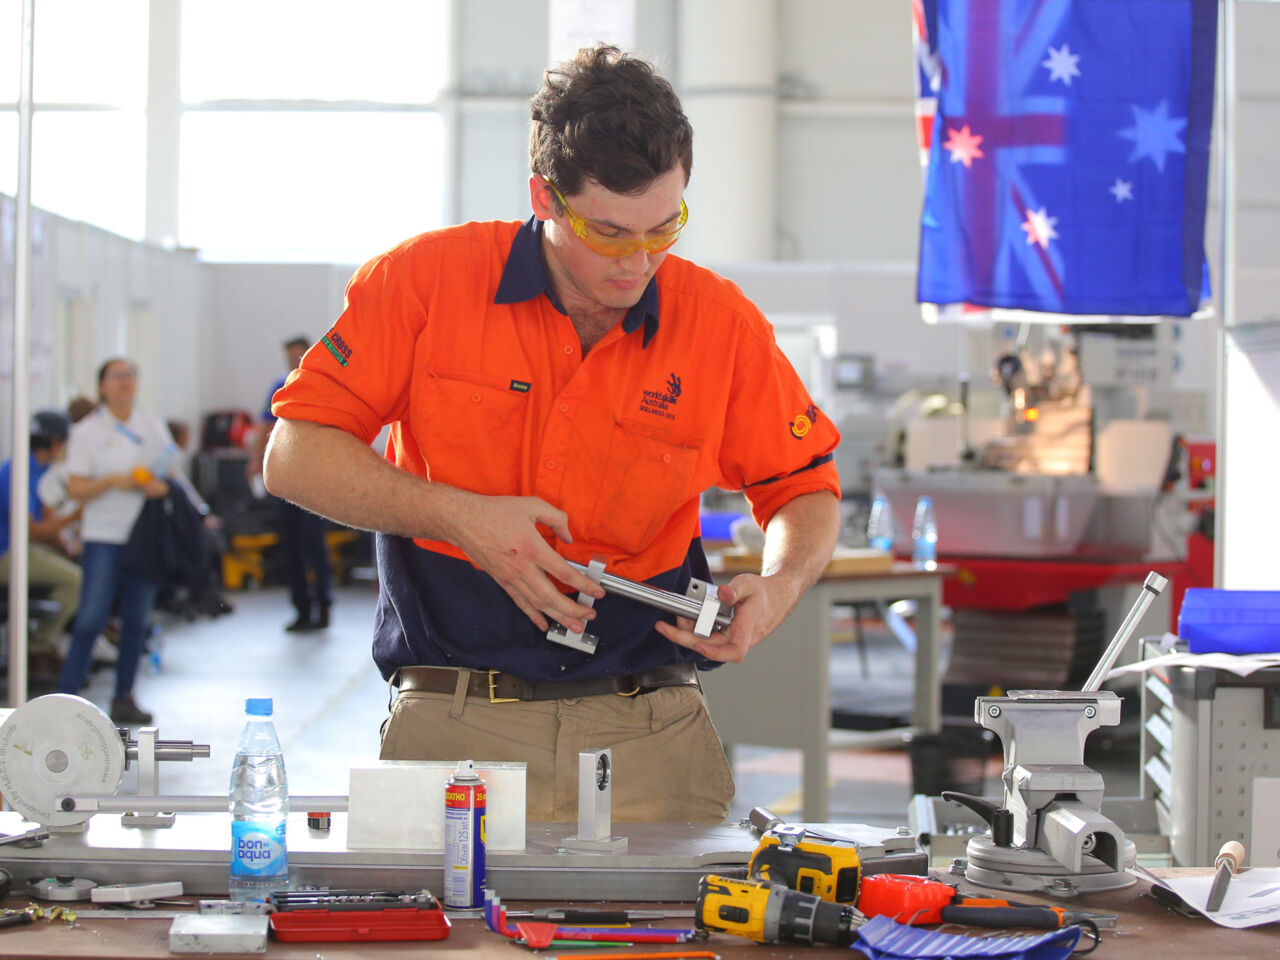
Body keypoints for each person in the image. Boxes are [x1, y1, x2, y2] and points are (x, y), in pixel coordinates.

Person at [265, 45, 841, 822]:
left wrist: (780, 587)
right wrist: (461, 518)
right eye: (608, 233)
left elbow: (803, 485)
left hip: (650, 730)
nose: (638, 261)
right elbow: (295, 455)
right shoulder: (424, 284)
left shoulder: (720, 326)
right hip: (453, 721)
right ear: (544, 197)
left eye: (664, 228)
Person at [57, 358, 176, 724]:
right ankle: (66, 700)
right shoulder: (86, 432)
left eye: (131, 376)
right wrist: (113, 481)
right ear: (102, 386)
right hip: (103, 536)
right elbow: (76, 486)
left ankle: (124, 695)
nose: (126, 382)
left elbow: (167, 479)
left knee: (136, 620)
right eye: (117, 376)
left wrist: (149, 485)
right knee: (91, 618)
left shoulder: (151, 426)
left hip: (140, 536)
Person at [249, 336, 333, 632]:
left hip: (315, 479)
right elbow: (265, 427)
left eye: (299, 356)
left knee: (314, 544)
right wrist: (254, 465)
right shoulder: (280, 386)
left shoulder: (323, 383)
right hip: (286, 479)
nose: (294, 362)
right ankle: (301, 609)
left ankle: (323, 604)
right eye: (290, 357)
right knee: (293, 547)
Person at [0, 411, 83, 680]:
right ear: (57, 442)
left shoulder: (43, 472)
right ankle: (37, 649)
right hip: (6, 553)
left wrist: (67, 543)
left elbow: (47, 522)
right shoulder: (19, 471)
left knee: (76, 562)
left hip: (22, 548)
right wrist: (73, 518)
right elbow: (31, 530)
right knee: (75, 579)